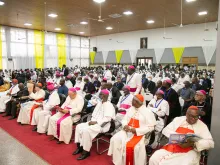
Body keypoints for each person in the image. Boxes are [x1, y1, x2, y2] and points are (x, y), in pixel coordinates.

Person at [149, 106, 214, 165]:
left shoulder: (202, 126)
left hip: (190, 151)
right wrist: (180, 138)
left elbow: (210, 143)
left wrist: (193, 144)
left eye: (196, 116)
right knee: (154, 159)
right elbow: (166, 130)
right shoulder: (178, 120)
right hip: (173, 146)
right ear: (186, 114)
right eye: (191, 116)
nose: (194, 119)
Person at [108, 94, 157, 165]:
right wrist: (125, 125)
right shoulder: (131, 109)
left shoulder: (147, 112)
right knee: (115, 139)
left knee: (129, 146)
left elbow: (151, 127)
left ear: (137, 102)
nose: (132, 101)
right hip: (126, 131)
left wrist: (137, 130)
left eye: (133, 100)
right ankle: (118, 162)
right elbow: (124, 119)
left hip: (138, 134)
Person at [73, 89, 115, 160]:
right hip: (93, 122)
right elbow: (94, 114)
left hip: (102, 125)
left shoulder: (109, 105)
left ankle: (86, 151)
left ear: (106, 96)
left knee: (86, 130)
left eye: (101, 94)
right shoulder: (99, 103)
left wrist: (96, 122)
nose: (99, 95)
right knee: (79, 126)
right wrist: (91, 121)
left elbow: (107, 119)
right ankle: (80, 147)